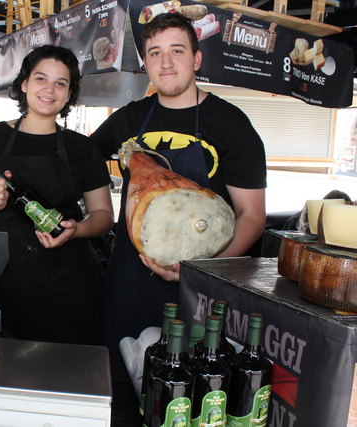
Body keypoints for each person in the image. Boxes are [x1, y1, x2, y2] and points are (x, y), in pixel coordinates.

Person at [89, 13, 267, 425]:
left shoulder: (232, 125)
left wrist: (198, 273)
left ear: (197, 59)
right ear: (146, 64)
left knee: (186, 394)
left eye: (176, 51)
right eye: (155, 53)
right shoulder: (131, 118)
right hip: (128, 279)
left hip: (200, 289)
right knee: (118, 391)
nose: (166, 63)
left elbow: (252, 216)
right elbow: (81, 160)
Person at [0, 45, 114, 344]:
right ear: (24, 83)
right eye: (41, 79)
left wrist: (77, 229)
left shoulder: (83, 148)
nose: (49, 89)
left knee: (60, 374)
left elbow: (104, 216)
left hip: (68, 286)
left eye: (60, 83)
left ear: (68, 94)